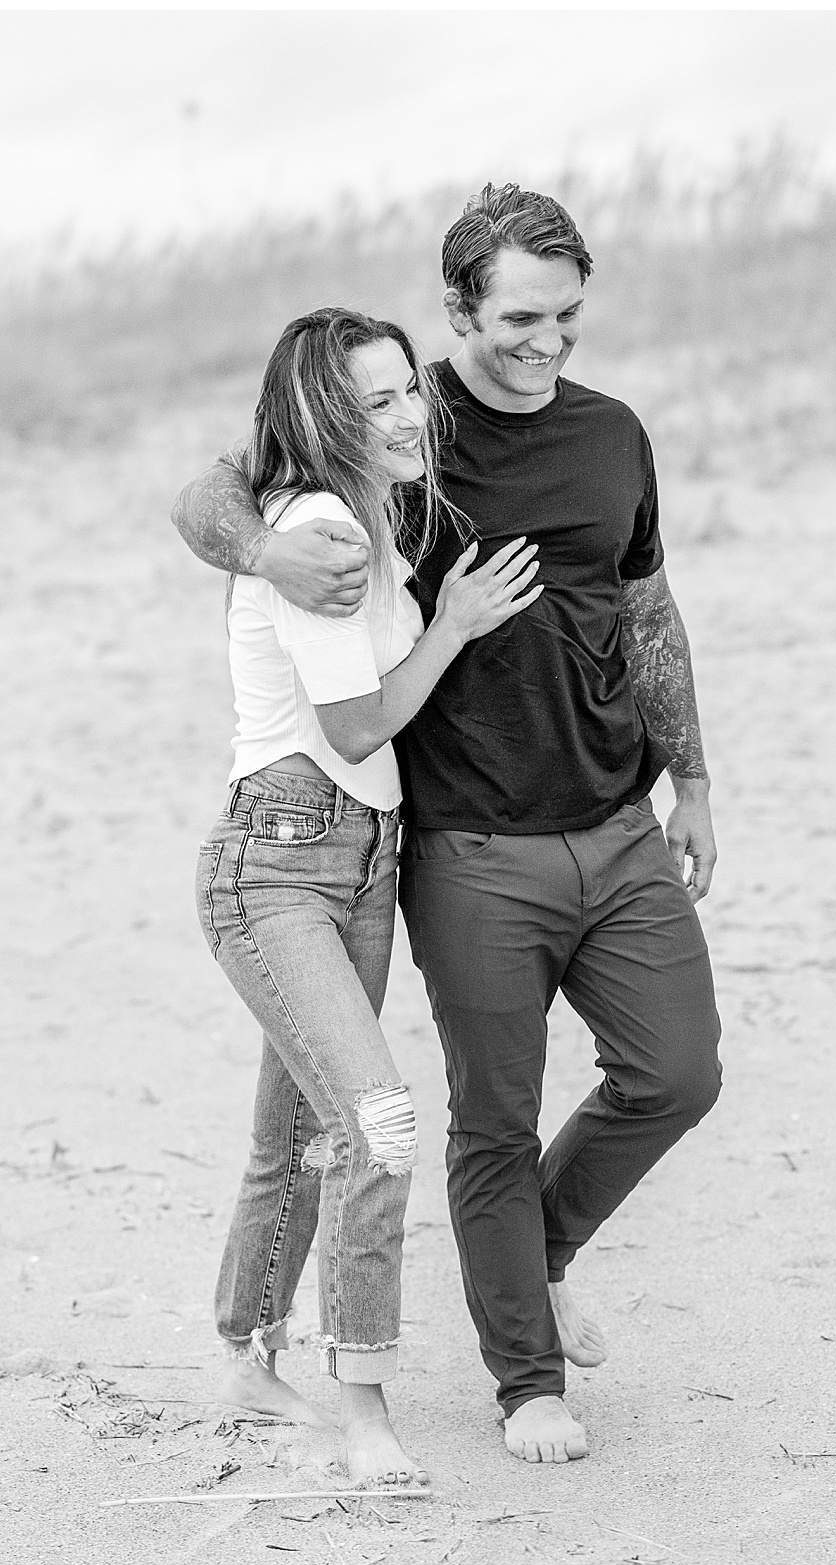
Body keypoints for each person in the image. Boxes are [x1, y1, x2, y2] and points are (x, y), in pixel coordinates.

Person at [174, 184, 722, 1467]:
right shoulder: (387, 430)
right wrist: (266, 552)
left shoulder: (606, 434)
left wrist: (691, 776)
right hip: (451, 841)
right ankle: (481, 1381)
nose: (548, 339)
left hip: (593, 820)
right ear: (459, 311)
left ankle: (518, 1260)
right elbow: (206, 496)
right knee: (449, 1121)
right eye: (522, 315)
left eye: (570, 314)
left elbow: (648, 610)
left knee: (676, 1072)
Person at [191, 305, 543, 1485]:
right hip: (280, 859)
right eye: (376, 400)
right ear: (325, 418)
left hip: (360, 856)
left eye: (409, 391)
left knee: (296, 1131)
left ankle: (244, 1360)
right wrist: (451, 626)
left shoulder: (372, 515)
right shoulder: (324, 530)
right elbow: (356, 722)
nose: (408, 414)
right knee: (379, 1125)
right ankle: (366, 1415)